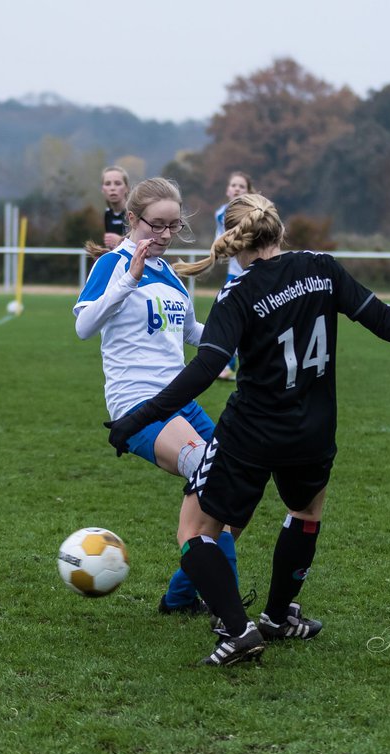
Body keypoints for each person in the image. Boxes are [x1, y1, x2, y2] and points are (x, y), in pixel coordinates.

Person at [106, 194, 390, 665]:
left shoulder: (238, 293)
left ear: (237, 240)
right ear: (279, 230)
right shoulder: (322, 269)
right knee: (305, 512)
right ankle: (276, 615)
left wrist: (137, 417)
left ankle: (238, 632)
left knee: (195, 531)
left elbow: (206, 367)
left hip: (251, 433)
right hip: (313, 429)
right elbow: (385, 320)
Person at [75, 177, 239, 616]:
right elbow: (84, 327)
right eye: (157, 226)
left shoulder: (169, 272)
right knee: (214, 481)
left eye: (174, 226)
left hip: (179, 400)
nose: (165, 236)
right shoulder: (112, 265)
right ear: (133, 219)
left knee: (238, 490)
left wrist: (245, 337)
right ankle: (227, 606)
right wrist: (128, 279)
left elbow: (191, 335)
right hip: (139, 405)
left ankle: (183, 597)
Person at [214, 172, 255, 381]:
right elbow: (220, 242)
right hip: (234, 274)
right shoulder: (221, 214)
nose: (237, 189)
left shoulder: (256, 212)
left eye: (241, 186)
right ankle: (227, 365)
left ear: (248, 191)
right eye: (233, 185)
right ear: (227, 189)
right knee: (230, 319)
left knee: (255, 320)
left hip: (256, 272)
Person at [99, 166, 129, 251]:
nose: (112, 188)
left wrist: (121, 241)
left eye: (118, 183)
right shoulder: (107, 214)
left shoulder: (134, 214)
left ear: (126, 188)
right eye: (107, 184)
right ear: (102, 189)